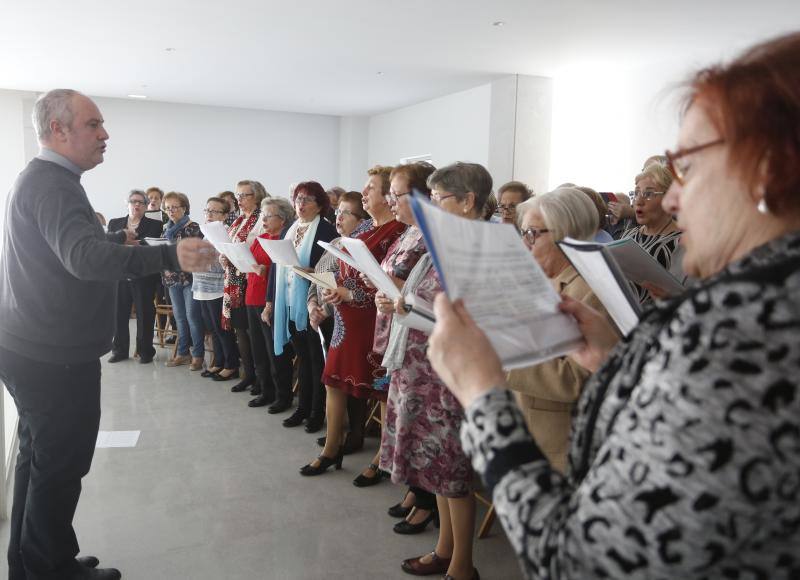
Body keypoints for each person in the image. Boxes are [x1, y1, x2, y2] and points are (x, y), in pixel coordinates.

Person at [427, 32, 800, 579]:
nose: (672, 199)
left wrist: (483, 397)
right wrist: (615, 360)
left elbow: (582, 561)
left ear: (769, 167)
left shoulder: (744, 332)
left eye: (687, 170)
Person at [0, 89, 214, 580]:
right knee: (59, 466)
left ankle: (33, 561)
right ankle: (51, 569)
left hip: (28, 345)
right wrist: (168, 255)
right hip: (52, 354)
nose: (105, 134)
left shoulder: (43, 179)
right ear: (58, 129)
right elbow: (82, 259)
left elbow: (70, 248)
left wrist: (116, 238)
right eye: (94, 124)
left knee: (39, 461)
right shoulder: (54, 184)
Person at [383, 162, 489, 580]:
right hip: (422, 366)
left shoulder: (481, 245)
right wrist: (400, 304)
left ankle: (463, 567)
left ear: (467, 202)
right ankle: (444, 548)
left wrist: (417, 309)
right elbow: (422, 293)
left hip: (452, 373)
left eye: (440, 197)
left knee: (452, 469)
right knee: (435, 470)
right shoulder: (444, 241)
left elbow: (475, 312)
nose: (432, 205)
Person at [299, 165, 405, 474]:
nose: (366, 192)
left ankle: (381, 458)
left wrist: (349, 295)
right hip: (345, 325)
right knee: (333, 382)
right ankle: (332, 448)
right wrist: (334, 293)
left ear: (388, 196)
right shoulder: (366, 229)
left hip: (374, 322)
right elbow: (341, 269)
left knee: (381, 390)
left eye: (371, 187)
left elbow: (385, 284)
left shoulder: (397, 233)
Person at [508, 188, 609, 473]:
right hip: (528, 428)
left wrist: (503, 361)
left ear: (567, 233)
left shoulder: (590, 293)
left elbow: (578, 380)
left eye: (532, 234)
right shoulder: (545, 281)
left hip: (560, 444)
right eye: (523, 233)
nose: (525, 244)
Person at [371, 162, 437, 532]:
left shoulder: (430, 237)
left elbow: (419, 290)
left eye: (396, 194)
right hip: (400, 329)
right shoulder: (408, 233)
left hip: (421, 341)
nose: (390, 200)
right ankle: (415, 490)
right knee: (403, 416)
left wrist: (391, 289)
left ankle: (427, 501)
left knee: (420, 422)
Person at [267, 181, 337, 429]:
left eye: (307, 200)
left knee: (316, 361)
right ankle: (303, 408)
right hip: (289, 303)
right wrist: (270, 303)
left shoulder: (327, 232)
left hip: (315, 306)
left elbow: (331, 273)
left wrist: (311, 272)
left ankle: (317, 413)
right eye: (298, 199)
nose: (301, 204)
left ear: (320, 205)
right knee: (303, 360)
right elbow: (277, 268)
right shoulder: (291, 228)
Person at [308, 191, 372, 449]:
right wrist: (313, 304)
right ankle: (338, 431)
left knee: (352, 381)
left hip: (351, 318)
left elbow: (360, 287)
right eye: (338, 212)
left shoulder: (363, 246)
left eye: (346, 213)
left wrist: (329, 305)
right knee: (334, 381)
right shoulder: (335, 242)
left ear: (361, 218)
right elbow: (318, 276)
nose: (338, 217)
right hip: (327, 317)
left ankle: (355, 434)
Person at [246, 197, 294, 408]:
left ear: (282, 219)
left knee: (275, 351)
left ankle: (282, 396)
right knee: (258, 350)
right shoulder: (261, 238)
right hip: (252, 296)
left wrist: (263, 270)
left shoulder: (283, 241)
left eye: (268, 216)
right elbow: (250, 260)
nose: (263, 220)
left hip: (271, 300)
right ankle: (265, 391)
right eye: (262, 216)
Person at [219, 180, 267, 393]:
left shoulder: (260, 219)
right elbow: (230, 245)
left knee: (252, 332)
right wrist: (224, 256)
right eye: (237, 195)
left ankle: (260, 378)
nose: (239, 199)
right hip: (233, 281)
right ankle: (248, 374)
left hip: (249, 281)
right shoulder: (239, 219)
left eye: (244, 195)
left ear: (256, 197)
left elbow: (255, 249)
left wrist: (235, 255)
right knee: (240, 331)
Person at [107, 189, 164, 364]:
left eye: (141, 202)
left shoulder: (155, 225)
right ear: (128, 203)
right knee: (119, 314)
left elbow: (150, 247)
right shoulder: (115, 223)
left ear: (147, 206)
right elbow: (109, 245)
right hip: (120, 274)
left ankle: (145, 351)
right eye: (133, 201)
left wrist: (125, 243)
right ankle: (119, 350)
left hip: (144, 275)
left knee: (145, 313)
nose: (137, 205)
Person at [622, 163, 686, 303]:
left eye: (648, 194)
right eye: (636, 193)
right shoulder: (629, 234)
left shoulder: (681, 243)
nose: (638, 201)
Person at [192, 197, 240, 380]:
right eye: (207, 211)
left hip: (217, 289)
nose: (209, 215)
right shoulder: (206, 233)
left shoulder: (224, 233)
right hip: (202, 288)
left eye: (215, 211)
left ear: (225, 215)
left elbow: (226, 262)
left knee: (222, 329)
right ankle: (218, 362)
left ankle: (231, 365)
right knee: (212, 329)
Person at [161, 191, 206, 370]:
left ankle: (198, 355)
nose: (171, 211)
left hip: (189, 278)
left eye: (175, 207)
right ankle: (182, 353)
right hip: (171, 278)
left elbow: (199, 254)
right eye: (168, 208)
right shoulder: (166, 229)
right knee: (179, 318)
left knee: (192, 317)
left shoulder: (194, 227)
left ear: (184, 208)